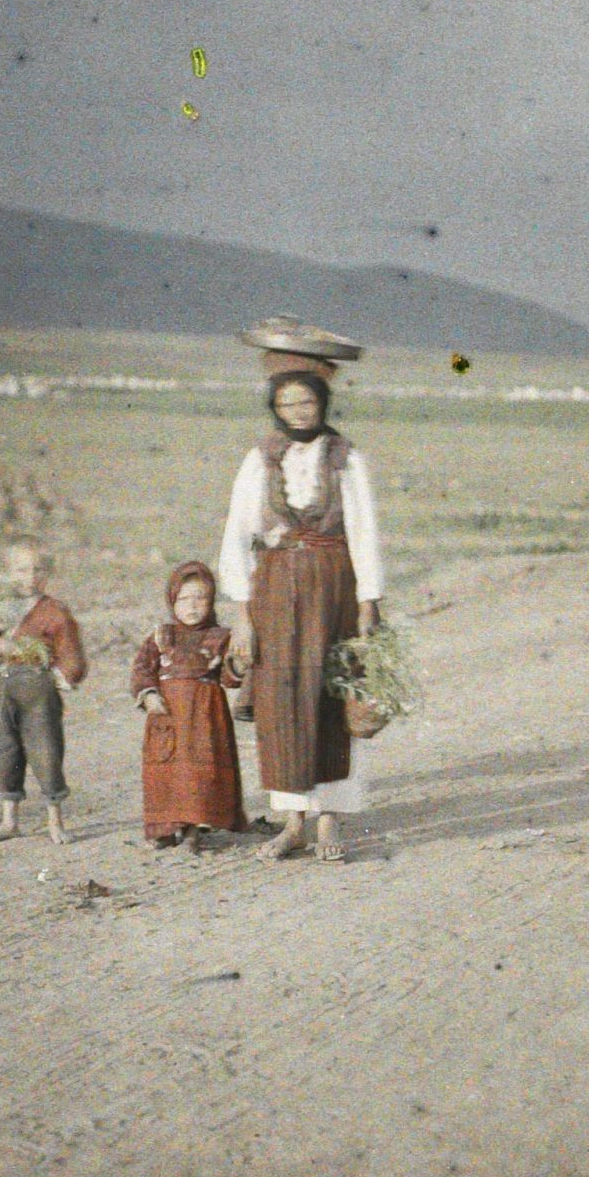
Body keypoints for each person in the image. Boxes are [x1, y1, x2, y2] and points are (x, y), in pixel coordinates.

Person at [218, 350, 383, 863]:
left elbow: (365, 533)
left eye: (306, 400)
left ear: (322, 400)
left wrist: (368, 604)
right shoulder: (260, 458)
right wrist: (242, 615)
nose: (297, 411)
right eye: (286, 402)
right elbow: (236, 536)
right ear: (275, 406)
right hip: (274, 592)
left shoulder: (345, 458)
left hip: (334, 589)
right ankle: (292, 822)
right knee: (281, 702)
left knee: (332, 698)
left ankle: (329, 820)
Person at [0, 538, 87, 844]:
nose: (29, 578)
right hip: (4, 685)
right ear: (8, 571)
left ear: (48, 573)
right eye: (20, 570)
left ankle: (55, 820)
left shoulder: (55, 611)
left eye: (37, 570)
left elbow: (71, 653)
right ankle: (9, 820)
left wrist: (54, 673)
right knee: (4, 749)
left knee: (45, 750)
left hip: (38, 689)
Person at [129, 561, 248, 851]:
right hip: (166, 713)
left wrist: (238, 665)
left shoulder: (220, 637)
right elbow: (142, 668)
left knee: (197, 772)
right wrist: (148, 694)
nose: (192, 606)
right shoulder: (161, 636)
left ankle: (193, 831)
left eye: (200, 598)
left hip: (204, 715)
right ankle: (165, 829)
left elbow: (229, 679)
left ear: (211, 601)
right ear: (172, 600)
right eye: (184, 599)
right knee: (164, 771)